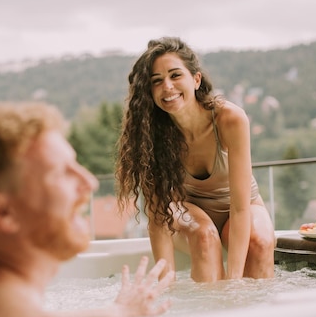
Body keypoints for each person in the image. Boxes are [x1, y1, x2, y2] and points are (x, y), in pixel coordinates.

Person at [0, 102, 174, 317]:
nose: (90, 182)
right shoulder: (9, 316)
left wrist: (118, 313)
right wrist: (121, 315)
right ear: (3, 213)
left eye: (76, 164)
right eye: (61, 172)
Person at [116, 37, 275, 282]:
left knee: (261, 242)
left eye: (175, 75)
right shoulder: (151, 134)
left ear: (196, 79)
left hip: (242, 208)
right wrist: (164, 284)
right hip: (189, 210)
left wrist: (234, 284)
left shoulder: (229, 119)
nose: (167, 86)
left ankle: (256, 316)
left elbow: (241, 208)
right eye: (156, 81)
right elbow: (158, 217)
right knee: (204, 235)